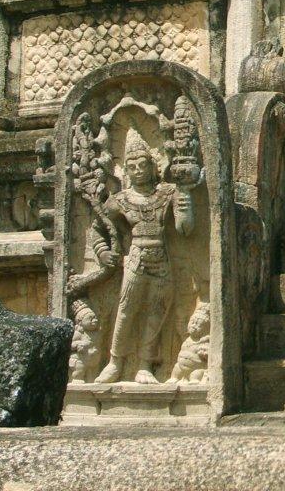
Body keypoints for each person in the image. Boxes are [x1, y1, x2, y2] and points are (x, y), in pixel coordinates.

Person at [94, 128, 196, 385]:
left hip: (161, 259)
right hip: (136, 258)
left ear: (153, 166)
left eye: (142, 165)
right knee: (126, 311)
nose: (138, 170)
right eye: (132, 167)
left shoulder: (167, 193)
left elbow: (185, 229)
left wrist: (185, 203)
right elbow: (98, 229)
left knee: (156, 311)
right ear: (126, 172)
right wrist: (103, 252)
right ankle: (115, 362)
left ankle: (144, 365)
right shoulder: (120, 201)